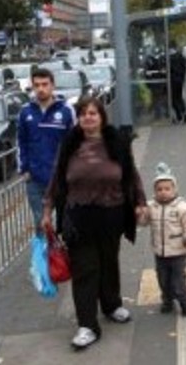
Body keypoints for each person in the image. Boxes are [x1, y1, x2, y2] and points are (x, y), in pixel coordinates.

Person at [41, 96, 149, 350]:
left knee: (109, 261)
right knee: (85, 269)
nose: (88, 117)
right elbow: (57, 179)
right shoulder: (70, 145)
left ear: (102, 117)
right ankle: (87, 325)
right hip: (78, 217)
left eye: (93, 113)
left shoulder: (117, 143)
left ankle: (112, 305)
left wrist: (140, 202)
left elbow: (131, 175)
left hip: (112, 214)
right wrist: (47, 209)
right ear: (78, 119)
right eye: (83, 114)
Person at [17, 67, 75, 232]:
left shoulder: (66, 111)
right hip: (35, 180)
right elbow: (21, 142)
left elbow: (75, 143)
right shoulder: (25, 112)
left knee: (65, 223)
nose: (41, 89)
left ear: (52, 86)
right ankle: (45, 257)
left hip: (61, 178)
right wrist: (24, 169)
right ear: (32, 87)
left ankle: (63, 256)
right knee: (41, 224)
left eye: (45, 84)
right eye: (37, 85)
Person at [144, 162, 186, 317]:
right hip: (159, 253)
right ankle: (167, 300)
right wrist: (140, 213)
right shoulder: (151, 206)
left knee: (179, 281)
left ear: (174, 189)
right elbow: (143, 222)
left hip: (178, 251)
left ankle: (185, 302)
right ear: (154, 191)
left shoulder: (182, 207)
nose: (163, 192)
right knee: (163, 279)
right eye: (159, 189)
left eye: (167, 189)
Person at [169, 41, 186, 124]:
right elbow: (184, 68)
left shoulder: (169, 58)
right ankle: (184, 112)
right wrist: (183, 78)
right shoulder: (180, 56)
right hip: (180, 80)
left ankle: (179, 116)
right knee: (179, 97)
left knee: (173, 99)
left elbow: (169, 69)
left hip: (172, 80)